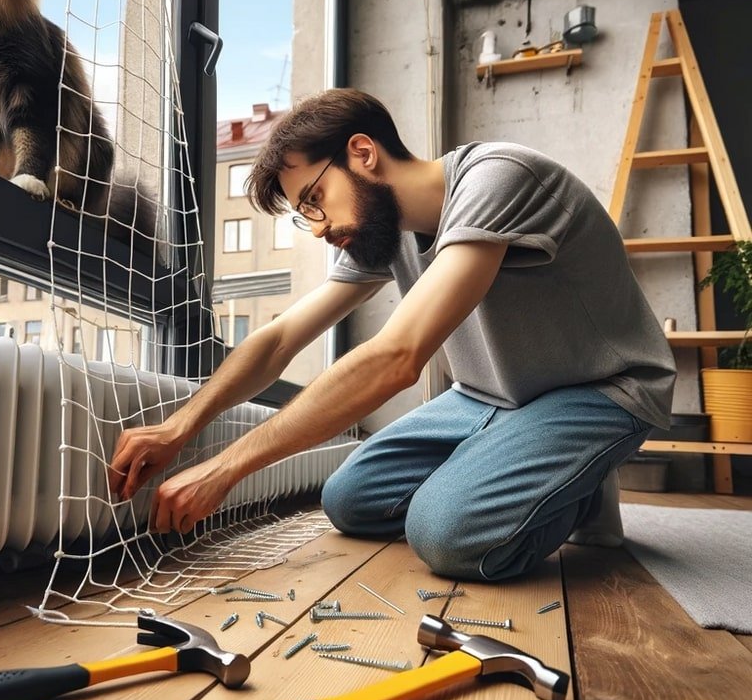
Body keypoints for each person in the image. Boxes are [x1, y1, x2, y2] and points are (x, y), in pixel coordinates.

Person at [109, 88, 676, 581]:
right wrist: (180, 425)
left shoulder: (498, 178)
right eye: (305, 214)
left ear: (363, 153)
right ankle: (525, 469)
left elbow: (397, 358)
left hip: (599, 390)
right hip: (489, 398)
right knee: (348, 501)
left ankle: (579, 489)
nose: (318, 228)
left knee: (445, 535)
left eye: (314, 199)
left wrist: (227, 467)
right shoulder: (388, 230)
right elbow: (280, 339)